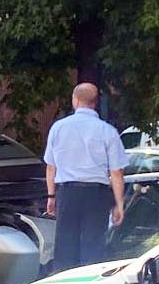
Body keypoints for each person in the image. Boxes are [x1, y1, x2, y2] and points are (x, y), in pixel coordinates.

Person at [43, 83, 128, 272]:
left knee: (65, 243)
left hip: (67, 192)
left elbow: (51, 167)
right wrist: (119, 204)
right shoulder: (107, 131)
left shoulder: (58, 128)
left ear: (75, 100)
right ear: (95, 103)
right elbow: (116, 173)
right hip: (96, 194)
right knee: (94, 245)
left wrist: (51, 197)